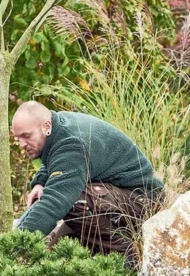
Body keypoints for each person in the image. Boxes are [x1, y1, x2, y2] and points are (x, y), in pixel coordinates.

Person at [12, 101, 162, 261]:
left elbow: (54, 203)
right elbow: (57, 159)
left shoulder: (71, 142)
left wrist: (12, 248)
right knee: (56, 253)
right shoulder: (58, 126)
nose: (22, 144)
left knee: (75, 202)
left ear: (46, 126)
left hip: (143, 201)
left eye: (27, 136)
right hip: (115, 195)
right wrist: (41, 182)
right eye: (18, 137)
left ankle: (129, 259)